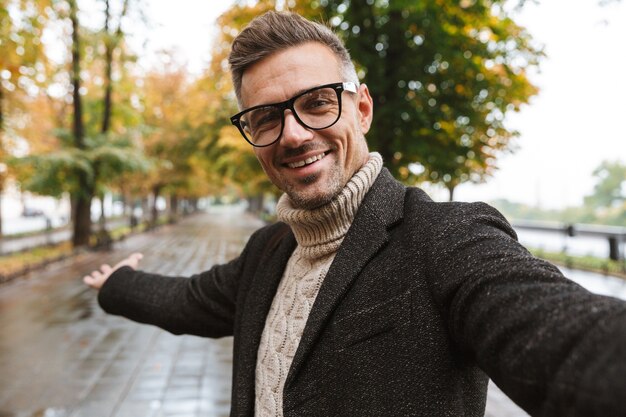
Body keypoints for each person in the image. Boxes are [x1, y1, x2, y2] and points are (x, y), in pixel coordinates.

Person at [83, 11, 626, 417]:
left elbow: (556, 331)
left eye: (317, 102)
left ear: (361, 107)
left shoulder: (446, 239)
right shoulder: (268, 251)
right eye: (266, 117)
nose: (294, 134)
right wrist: (117, 283)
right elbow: (189, 302)